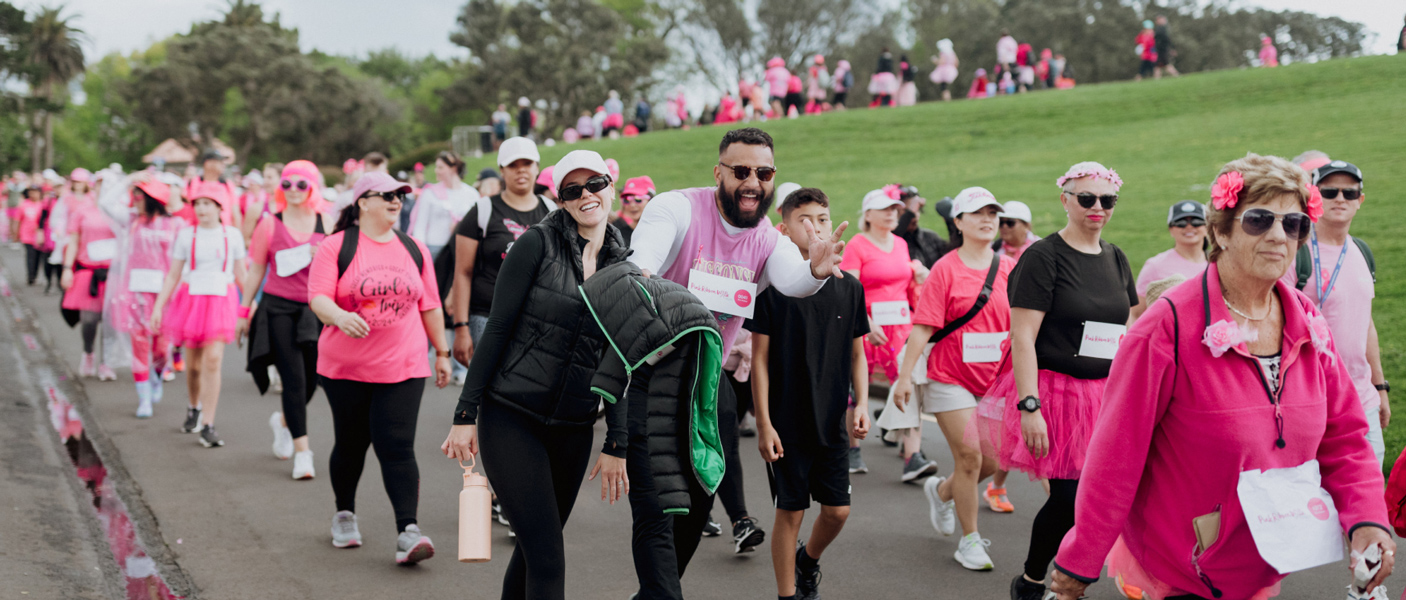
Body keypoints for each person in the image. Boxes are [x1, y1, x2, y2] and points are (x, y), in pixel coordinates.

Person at [1049, 153, 1394, 600]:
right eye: (1258, 220)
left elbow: (1345, 436)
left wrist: (1367, 520)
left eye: (1294, 224)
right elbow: (1117, 454)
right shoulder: (1166, 328)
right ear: (1220, 231)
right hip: (1183, 566)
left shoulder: (1307, 321)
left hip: (1266, 560)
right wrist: (1081, 557)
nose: (1278, 236)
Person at [624, 127, 848, 598]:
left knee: (698, 504)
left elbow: (793, 279)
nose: (752, 182)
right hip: (650, 378)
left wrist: (815, 270)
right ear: (718, 172)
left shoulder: (768, 239)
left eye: (763, 173)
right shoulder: (678, 207)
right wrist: (642, 270)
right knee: (655, 508)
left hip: (708, 386)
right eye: (741, 171)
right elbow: (645, 254)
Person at [441, 150, 629, 599]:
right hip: (512, 417)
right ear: (560, 200)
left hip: (573, 426)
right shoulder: (536, 244)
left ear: (609, 186)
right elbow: (499, 328)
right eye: (572, 190)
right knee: (548, 558)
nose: (586, 195)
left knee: (531, 553)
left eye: (595, 185)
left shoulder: (623, 259)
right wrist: (465, 415)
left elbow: (621, 352)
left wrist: (617, 439)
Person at [973, 162, 1137, 600]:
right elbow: (1022, 337)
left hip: (1106, 394)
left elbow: (1133, 325)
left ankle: (1072, 581)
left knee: (1105, 497)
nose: (1097, 207)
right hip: (1056, 391)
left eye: (1106, 200)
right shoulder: (1043, 257)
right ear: (1066, 200)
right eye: (1086, 198)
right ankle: (1030, 581)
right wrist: (1030, 407)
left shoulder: (1116, 257)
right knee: (1068, 498)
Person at [308, 172, 449, 563]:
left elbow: (431, 305)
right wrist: (338, 315)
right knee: (352, 444)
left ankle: (409, 532)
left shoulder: (414, 248)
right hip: (345, 367)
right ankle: (344, 515)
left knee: (398, 446)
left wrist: (441, 352)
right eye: (385, 195)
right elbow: (317, 297)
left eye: (400, 195)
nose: (395, 201)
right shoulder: (336, 246)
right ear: (362, 203)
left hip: (404, 365)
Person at [748, 188, 870, 600]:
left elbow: (858, 352)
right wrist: (764, 423)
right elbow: (759, 359)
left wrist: (863, 404)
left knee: (837, 512)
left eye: (822, 217)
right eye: (805, 219)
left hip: (833, 417)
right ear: (783, 229)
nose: (815, 226)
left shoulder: (850, 287)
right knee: (791, 512)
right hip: (786, 422)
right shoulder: (773, 288)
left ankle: (808, 561)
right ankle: (787, 595)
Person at [891, 187, 1014, 572]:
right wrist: (905, 376)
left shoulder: (1010, 268)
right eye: (977, 213)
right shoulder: (945, 268)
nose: (988, 219)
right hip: (949, 377)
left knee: (994, 460)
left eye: (993, 213)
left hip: (996, 379)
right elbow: (923, 327)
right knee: (970, 456)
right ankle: (970, 540)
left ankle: (942, 492)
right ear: (958, 222)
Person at [1283, 161, 1389, 465]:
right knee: (1319, 498)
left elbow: (1365, 323)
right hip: (1310, 398)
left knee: (1368, 493)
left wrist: (1379, 386)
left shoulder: (1362, 252)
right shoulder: (1294, 253)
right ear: (1313, 197)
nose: (1340, 198)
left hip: (1362, 398)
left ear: (1360, 201)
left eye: (1349, 192)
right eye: (1330, 191)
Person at [238, 160, 335, 479]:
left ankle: (283, 421)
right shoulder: (270, 224)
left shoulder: (326, 221)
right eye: (287, 183)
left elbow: (339, 268)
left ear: (313, 187)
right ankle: (303, 452)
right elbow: (256, 270)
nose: (293, 190)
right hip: (278, 308)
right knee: (293, 379)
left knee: (311, 381)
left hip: (316, 311)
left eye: (301, 184)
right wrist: (243, 310)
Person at [450, 137, 557, 380]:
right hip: (487, 318)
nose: (520, 169)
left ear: (537, 167)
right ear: (502, 170)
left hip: (536, 321)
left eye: (527, 163)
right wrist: (461, 328)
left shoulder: (551, 212)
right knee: (493, 390)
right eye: (512, 164)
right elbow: (462, 273)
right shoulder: (482, 211)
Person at [151, 182, 248, 448]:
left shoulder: (232, 235)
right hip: (191, 300)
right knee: (193, 367)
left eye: (207, 203)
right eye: (197, 204)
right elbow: (173, 274)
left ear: (220, 207)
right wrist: (159, 306)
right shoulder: (186, 235)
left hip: (221, 300)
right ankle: (193, 407)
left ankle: (208, 423)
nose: (202, 209)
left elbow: (242, 275)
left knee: (214, 360)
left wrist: (251, 308)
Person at [842, 186, 929, 479]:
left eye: (895, 209)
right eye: (886, 209)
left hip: (901, 327)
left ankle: (913, 456)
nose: (893, 213)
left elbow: (904, 287)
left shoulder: (901, 244)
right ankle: (852, 449)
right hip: (865, 328)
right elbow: (848, 291)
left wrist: (919, 276)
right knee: (856, 388)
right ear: (868, 215)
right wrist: (865, 322)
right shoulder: (857, 245)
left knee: (908, 385)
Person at [100, 173, 182, 417]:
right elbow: (105, 203)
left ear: (153, 199)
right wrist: (128, 180)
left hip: (165, 296)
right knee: (139, 344)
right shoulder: (131, 220)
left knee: (161, 348)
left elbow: (182, 263)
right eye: (134, 194)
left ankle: (156, 376)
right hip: (135, 293)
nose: (134, 199)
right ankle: (143, 397)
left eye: (140, 195)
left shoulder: (175, 225)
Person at [60, 175, 119, 381]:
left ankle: (107, 362)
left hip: (113, 273)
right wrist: (67, 268)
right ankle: (88, 353)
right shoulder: (82, 211)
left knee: (111, 322)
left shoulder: (120, 213)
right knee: (89, 319)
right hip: (88, 271)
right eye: (103, 186)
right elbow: (73, 241)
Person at [1129, 201, 1207, 322]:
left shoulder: (1218, 264)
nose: (1189, 226)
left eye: (1196, 222)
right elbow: (1135, 314)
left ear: (1207, 227)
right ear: (1171, 229)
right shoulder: (1155, 266)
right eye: (1181, 223)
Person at [180, 150, 239, 229]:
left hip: (223, 234)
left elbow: (236, 213)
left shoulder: (227, 185)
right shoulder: (193, 183)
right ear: (207, 163)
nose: (223, 165)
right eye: (220, 162)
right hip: (197, 233)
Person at [895, 185, 946, 268]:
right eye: (907, 211)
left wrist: (951, 219)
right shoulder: (891, 241)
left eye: (917, 209)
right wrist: (910, 213)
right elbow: (895, 234)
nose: (914, 215)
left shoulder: (930, 237)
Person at [19, 185, 48, 287]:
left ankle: (35, 274)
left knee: (38, 257)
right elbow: (19, 219)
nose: (33, 194)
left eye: (35, 192)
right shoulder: (24, 204)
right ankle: (31, 276)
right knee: (30, 256)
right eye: (31, 192)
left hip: (39, 236)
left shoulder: (43, 205)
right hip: (27, 236)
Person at [613, 175, 654, 245]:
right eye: (627, 199)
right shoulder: (615, 233)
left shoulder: (659, 230)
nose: (632, 205)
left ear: (650, 200)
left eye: (638, 199)